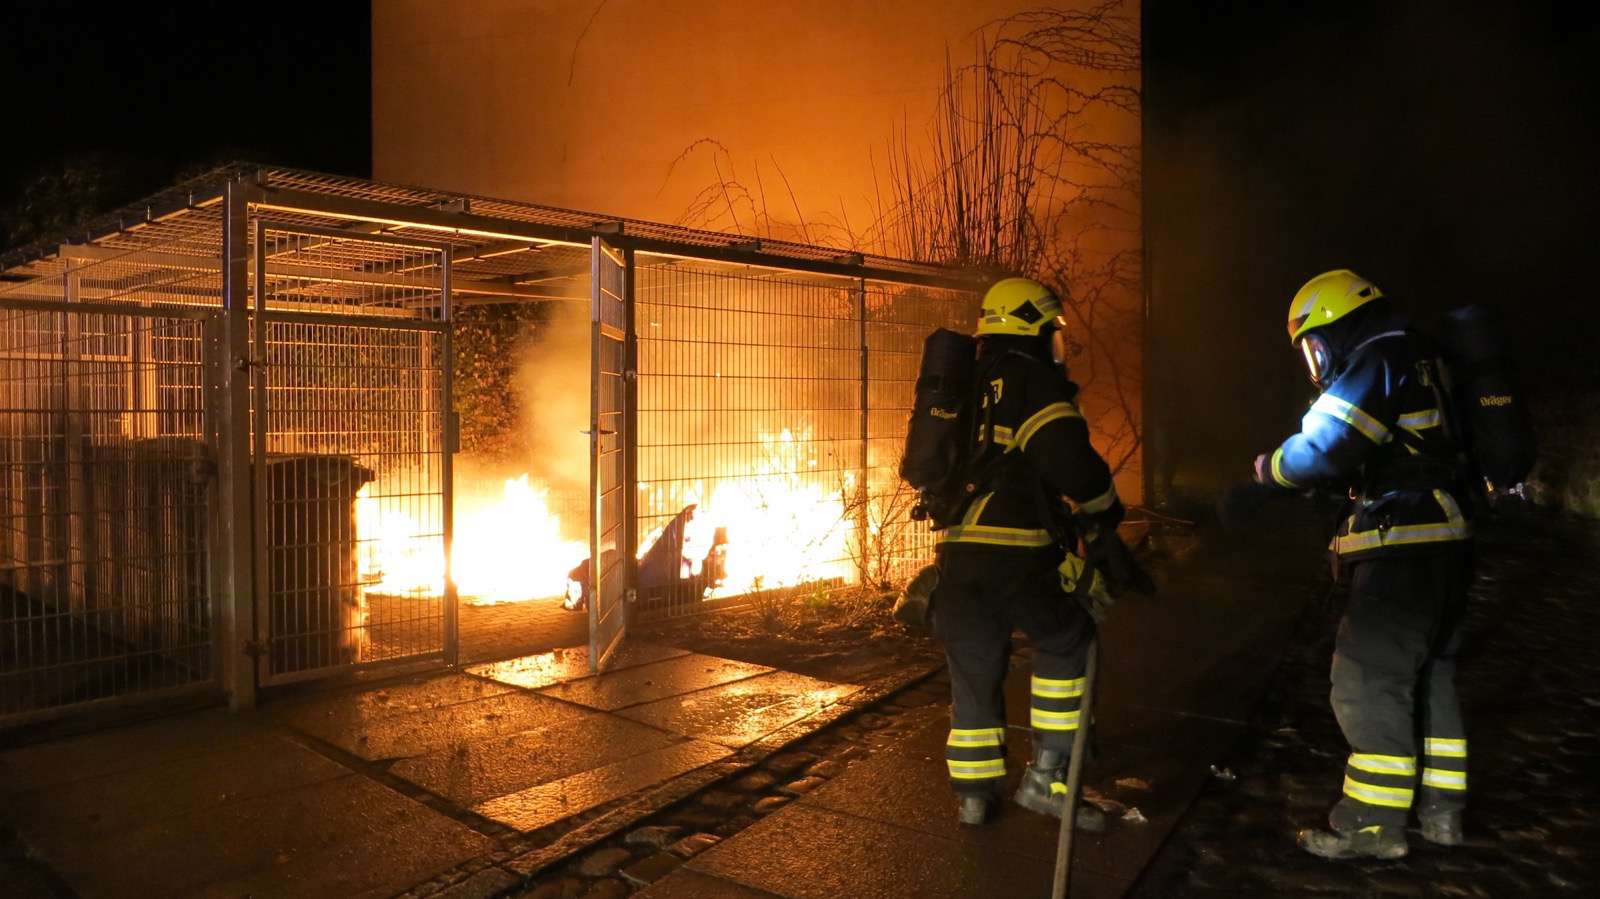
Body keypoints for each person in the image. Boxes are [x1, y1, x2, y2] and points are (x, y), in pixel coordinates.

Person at [1254, 269, 1473, 860]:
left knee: (1365, 679)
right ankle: (1442, 813)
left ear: (1330, 328)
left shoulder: (1378, 358)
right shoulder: (1426, 357)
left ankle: (1371, 824)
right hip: (1449, 543)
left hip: (1403, 544)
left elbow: (1324, 445)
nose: (1315, 361)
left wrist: (1265, 473)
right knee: (1431, 676)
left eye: (1311, 346)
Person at [930, 276, 1126, 828]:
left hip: (958, 555)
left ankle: (973, 797)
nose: (1055, 344)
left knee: (973, 664)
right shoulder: (1030, 378)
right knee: (1070, 639)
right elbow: (1072, 464)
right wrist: (1106, 512)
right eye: (1050, 332)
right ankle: (1047, 779)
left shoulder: (964, 383)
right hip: (1016, 552)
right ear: (1031, 328)